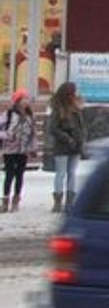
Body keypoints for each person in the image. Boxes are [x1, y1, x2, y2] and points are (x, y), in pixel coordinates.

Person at [45, 81, 86, 213]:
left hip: (76, 146)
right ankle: (58, 201)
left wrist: (81, 139)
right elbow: (53, 128)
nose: (75, 95)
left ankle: (69, 201)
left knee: (72, 173)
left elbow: (81, 127)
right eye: (73, 92)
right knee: (61, 173)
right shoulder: (58, 109)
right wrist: (67, 138)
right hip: (63, 146)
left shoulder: (76, 108)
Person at [2, 89, 36, 213]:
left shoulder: (29, 116)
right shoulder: (9, 114)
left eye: (27, 99)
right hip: (10, 149)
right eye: (23, 99)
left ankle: (16, 200)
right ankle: (5, 200)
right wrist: (8, 135)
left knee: (20, 175)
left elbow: (33, 134)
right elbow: (1, 129)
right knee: (9, 174)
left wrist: (33, 148)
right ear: (17, 100)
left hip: (23, 149)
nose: (26, 101)